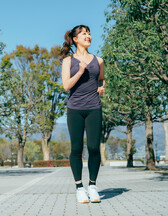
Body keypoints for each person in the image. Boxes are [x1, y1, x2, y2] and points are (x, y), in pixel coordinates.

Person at [61, 25, 105, 203]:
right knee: (76, 149)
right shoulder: (68, 61)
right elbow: (66, 86)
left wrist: (102, 88)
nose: (88, 36)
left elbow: (101, 78)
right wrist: (80, 71)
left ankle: (92, 186)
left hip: (94, 106)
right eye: (83, 34)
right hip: (75, 109)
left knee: (94, 148)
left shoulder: (99, 60)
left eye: (89, 33)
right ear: (75, 39)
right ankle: (79, 188)